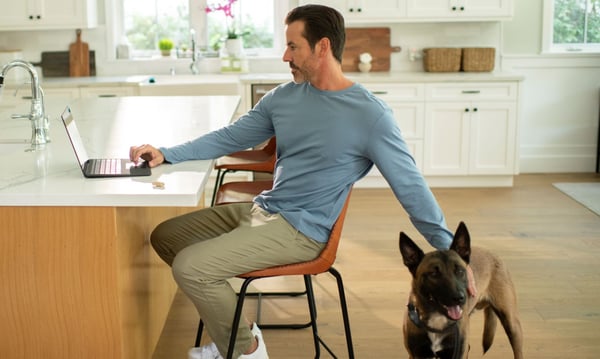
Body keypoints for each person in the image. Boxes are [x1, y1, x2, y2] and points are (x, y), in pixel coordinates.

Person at [130, 4, 476, 359]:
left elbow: (411, 188)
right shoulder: (283, 98)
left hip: (303, 232)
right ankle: (230, 331)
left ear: (322, 47)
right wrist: (167, 152)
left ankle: (246, 351)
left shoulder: (371, 115)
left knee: (192, 267)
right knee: (165, 237)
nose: (285, 56)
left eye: (293, 47)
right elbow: (230, 137)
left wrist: (455, 259)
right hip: (263, 211)